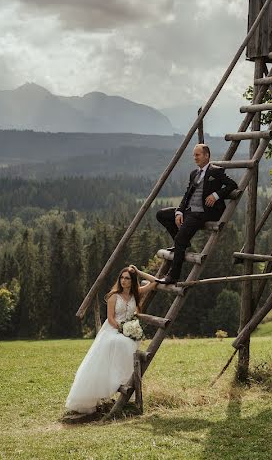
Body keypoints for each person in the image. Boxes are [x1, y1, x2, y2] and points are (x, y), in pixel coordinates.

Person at [64, 267, 155, 414]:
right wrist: (123, 329)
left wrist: (138, 272)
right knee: (119, 343)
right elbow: (111, 319)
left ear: (132, 281)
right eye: (122, 278)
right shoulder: (114, 296)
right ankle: (111, 382)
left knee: (128, 344)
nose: (124, 281)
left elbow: (154, 282)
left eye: (127, 278)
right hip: (113, 329)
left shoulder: (135, 293)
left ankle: (125, 382)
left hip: (129, 331)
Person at [155, 143, 238, 285]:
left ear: (206, 155)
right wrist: (179, 211)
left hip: (204, 213)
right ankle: (183, 243)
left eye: (197, 155)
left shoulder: (215, 171)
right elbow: (187, 194)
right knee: (161, 214)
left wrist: (216, 195)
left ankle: (173, 276)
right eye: (194, 155)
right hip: (190, 211)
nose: (195, 158)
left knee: (180, 239)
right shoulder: (194, 173)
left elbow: (232, 185)